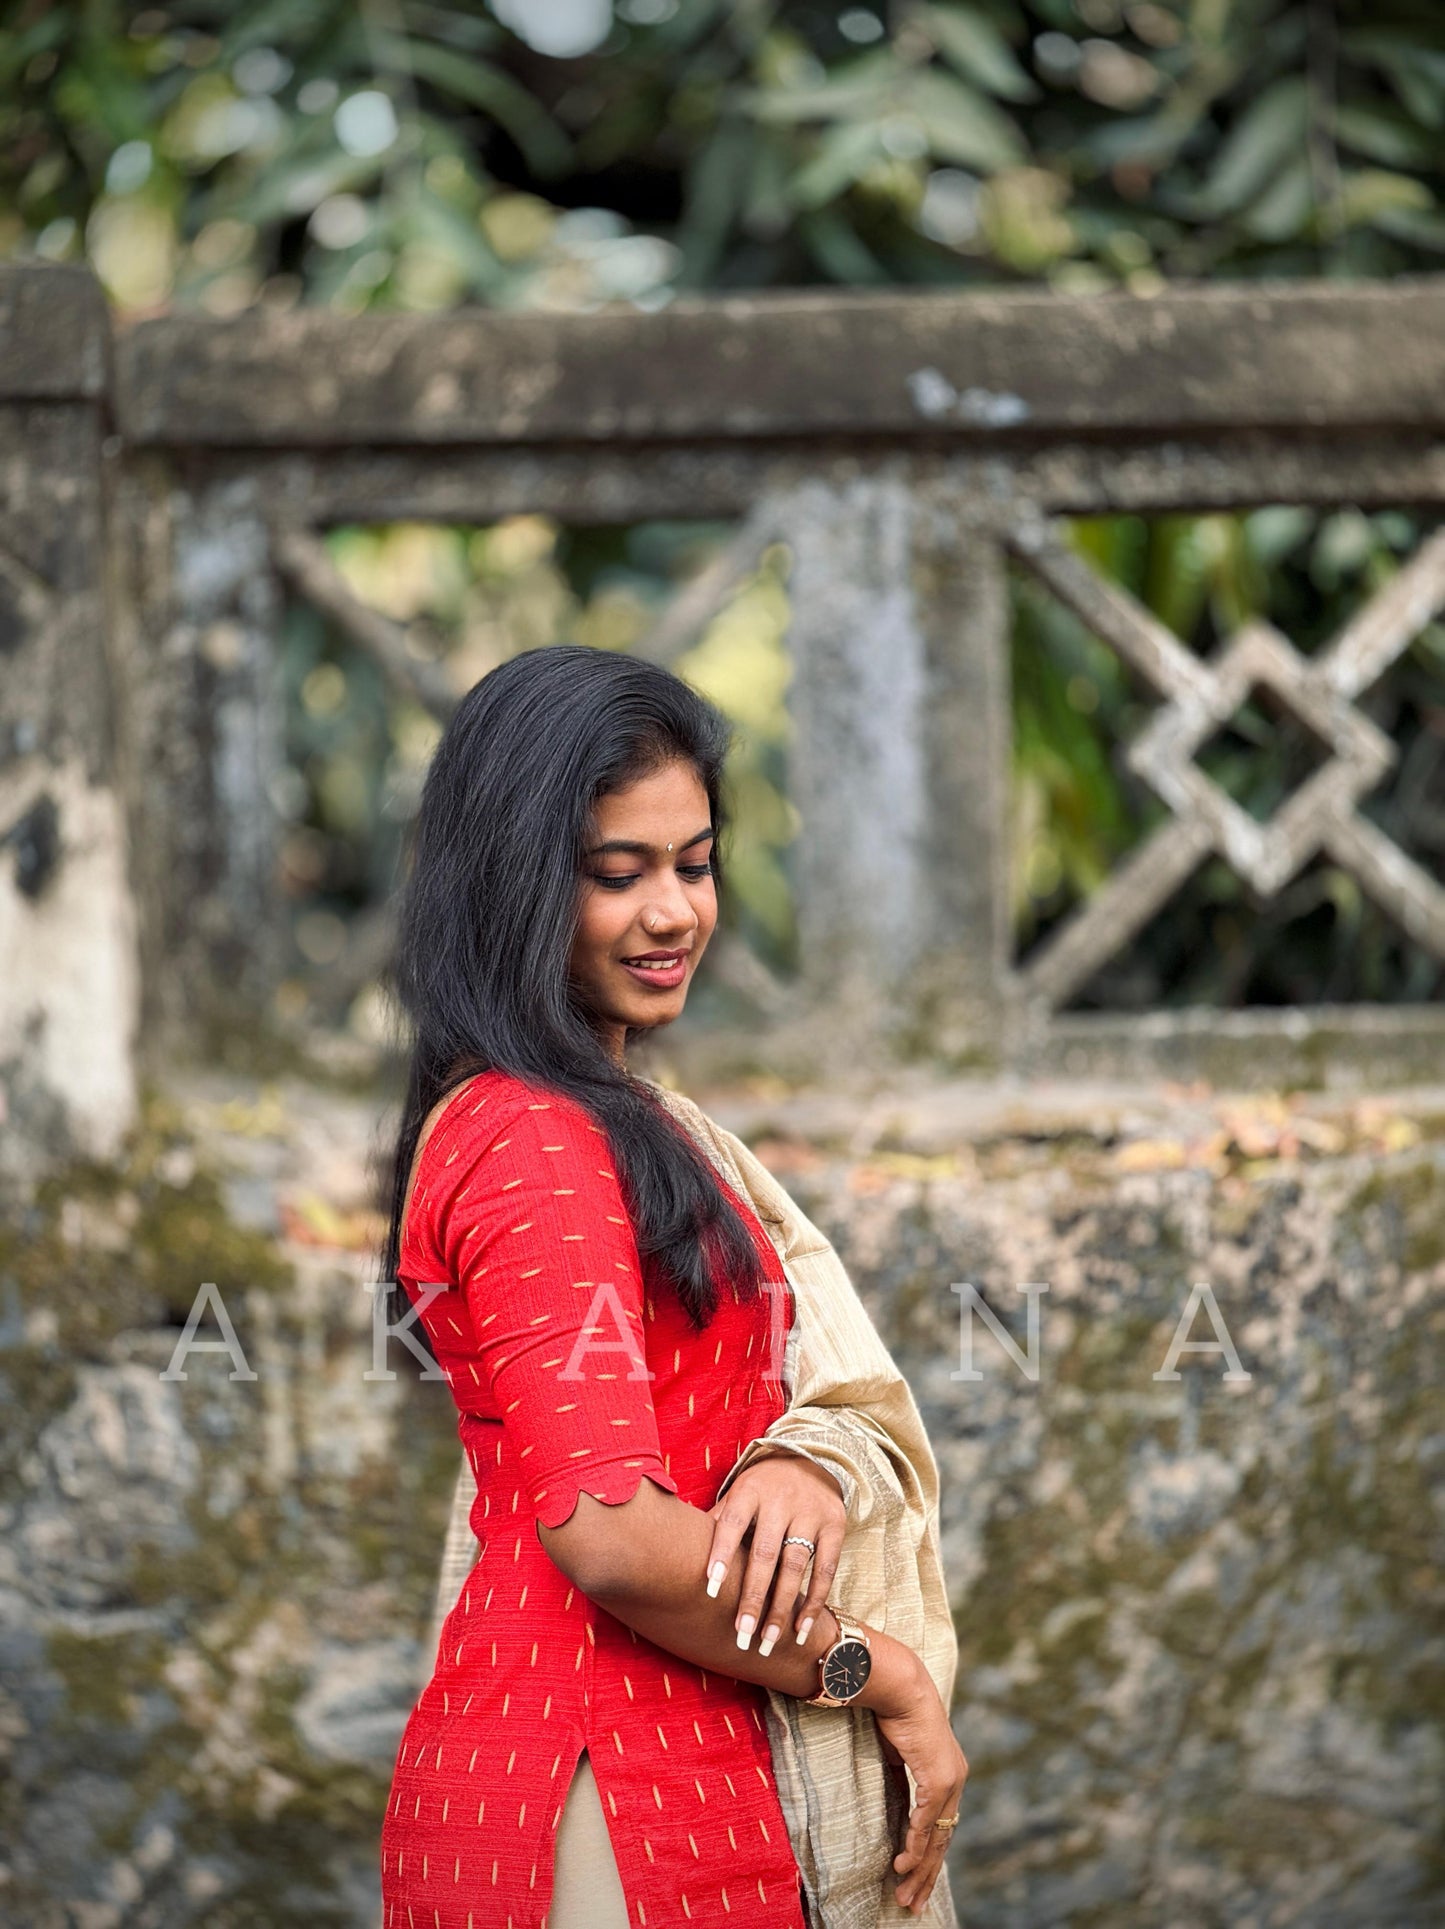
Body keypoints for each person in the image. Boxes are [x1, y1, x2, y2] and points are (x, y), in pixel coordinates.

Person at [377, 645, 966, 1928]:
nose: (673, 913)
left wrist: (799, 1459)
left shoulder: (603, 1115)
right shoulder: (532, 1135)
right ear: (514, 883)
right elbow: (616, 1536)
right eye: (616, 873)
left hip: (667, 1761)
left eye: (693, 865)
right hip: (592, 1790)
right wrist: (877, 1674)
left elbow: (725, 1392)